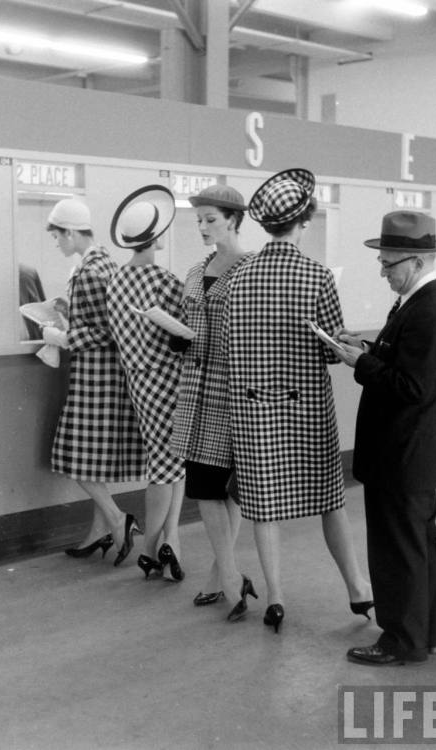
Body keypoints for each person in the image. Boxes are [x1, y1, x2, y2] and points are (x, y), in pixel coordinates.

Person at [222, 168, 372, 633]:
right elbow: (331, 348)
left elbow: (229, 345)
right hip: (304, 405)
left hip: (252, 407)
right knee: (330, 500)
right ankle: (357, 589)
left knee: (264, 508)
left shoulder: (237, 276)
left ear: (267, 225)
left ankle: (277, 597)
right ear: (303, 223)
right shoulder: (318, 275)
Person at [332, 210, 436, 665]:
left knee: (397, 552)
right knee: (419, 548)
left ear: (418, 261)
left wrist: (360, 365)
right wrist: (366, 350)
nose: (384, 272)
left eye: (390, 265)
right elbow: (405, 364)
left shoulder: (430, 310)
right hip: (409, 455)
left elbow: (413, 388)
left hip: (402, 455)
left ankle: (401, 641)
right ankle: (423, 633)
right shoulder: (421, 302)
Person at [170, 184, 257, 621]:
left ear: (234, 220)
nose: (203, 227)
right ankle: (227, 575)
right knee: (204, 486)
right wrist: (176, 334)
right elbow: (189, 322)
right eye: (199, 220)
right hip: (194, 391)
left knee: (227, 488)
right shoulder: (193, 271)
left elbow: (255, 335)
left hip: (232, 391)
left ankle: (223, 576)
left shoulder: (252, 269)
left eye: (210, 219)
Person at [43, 198, 145, 565]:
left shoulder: (90, 271)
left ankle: (118, 519)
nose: (57, 243)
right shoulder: (103, 264)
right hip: (104, 376)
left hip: (96, 377)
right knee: (89, 458)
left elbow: (107, 328)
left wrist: (64, 337)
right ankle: (99, 530)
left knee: (74, 456)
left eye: (57, 236)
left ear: (71, 232)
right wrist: (68, 313)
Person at [106, 186, 186, 582]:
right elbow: (186, 331)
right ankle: (155, 547)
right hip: (171, 377)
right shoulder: (167, 281)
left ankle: (170, 539)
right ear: (157, 237)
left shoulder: (115, 279)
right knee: (170, 465)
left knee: (165, 461)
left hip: (138, 380)